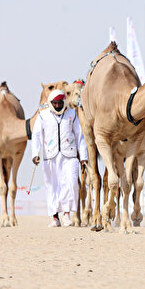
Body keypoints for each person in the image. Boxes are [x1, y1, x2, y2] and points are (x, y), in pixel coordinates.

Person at [31, 89, 88, 227]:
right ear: (51, 103)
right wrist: (35, 153)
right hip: (50, 157)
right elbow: (37, 135)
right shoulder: (43, 116)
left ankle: (67, 214)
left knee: (71, 183)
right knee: (52, 187)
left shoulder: (71, 114)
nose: (57, 106)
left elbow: (79, 136)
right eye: (54, 103)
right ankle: (55, 217)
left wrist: (84, 157)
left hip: (70, 156)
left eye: (59, 103)